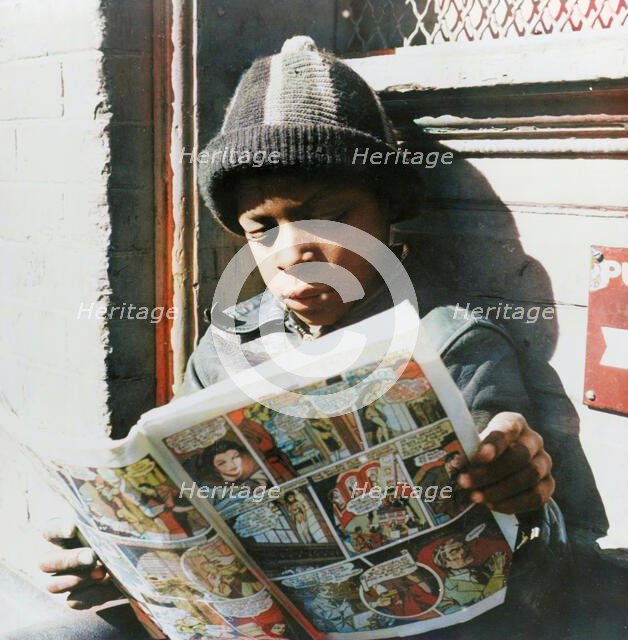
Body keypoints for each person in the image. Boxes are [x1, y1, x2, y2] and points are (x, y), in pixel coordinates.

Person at [38, 35, 559, 640]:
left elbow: (532, 522)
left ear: (387, 215)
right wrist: (122, 558)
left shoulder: (450, 344)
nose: (295, 254)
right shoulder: (228, 343)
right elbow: (186, 504)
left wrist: (524, 486)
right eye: (263, 229)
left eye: (331, 219)